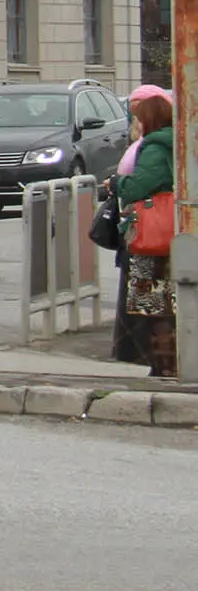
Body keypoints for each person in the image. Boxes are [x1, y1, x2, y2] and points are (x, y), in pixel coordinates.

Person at [118, 86, 177, 378]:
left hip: (153, 235)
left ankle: (163, 365)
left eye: (139, 118)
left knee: (153, 305)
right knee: (173, 301)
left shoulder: (154, 147)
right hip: (177, 233)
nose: (136, 123)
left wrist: (117, 185)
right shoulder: (179, 142)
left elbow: (138, 186)